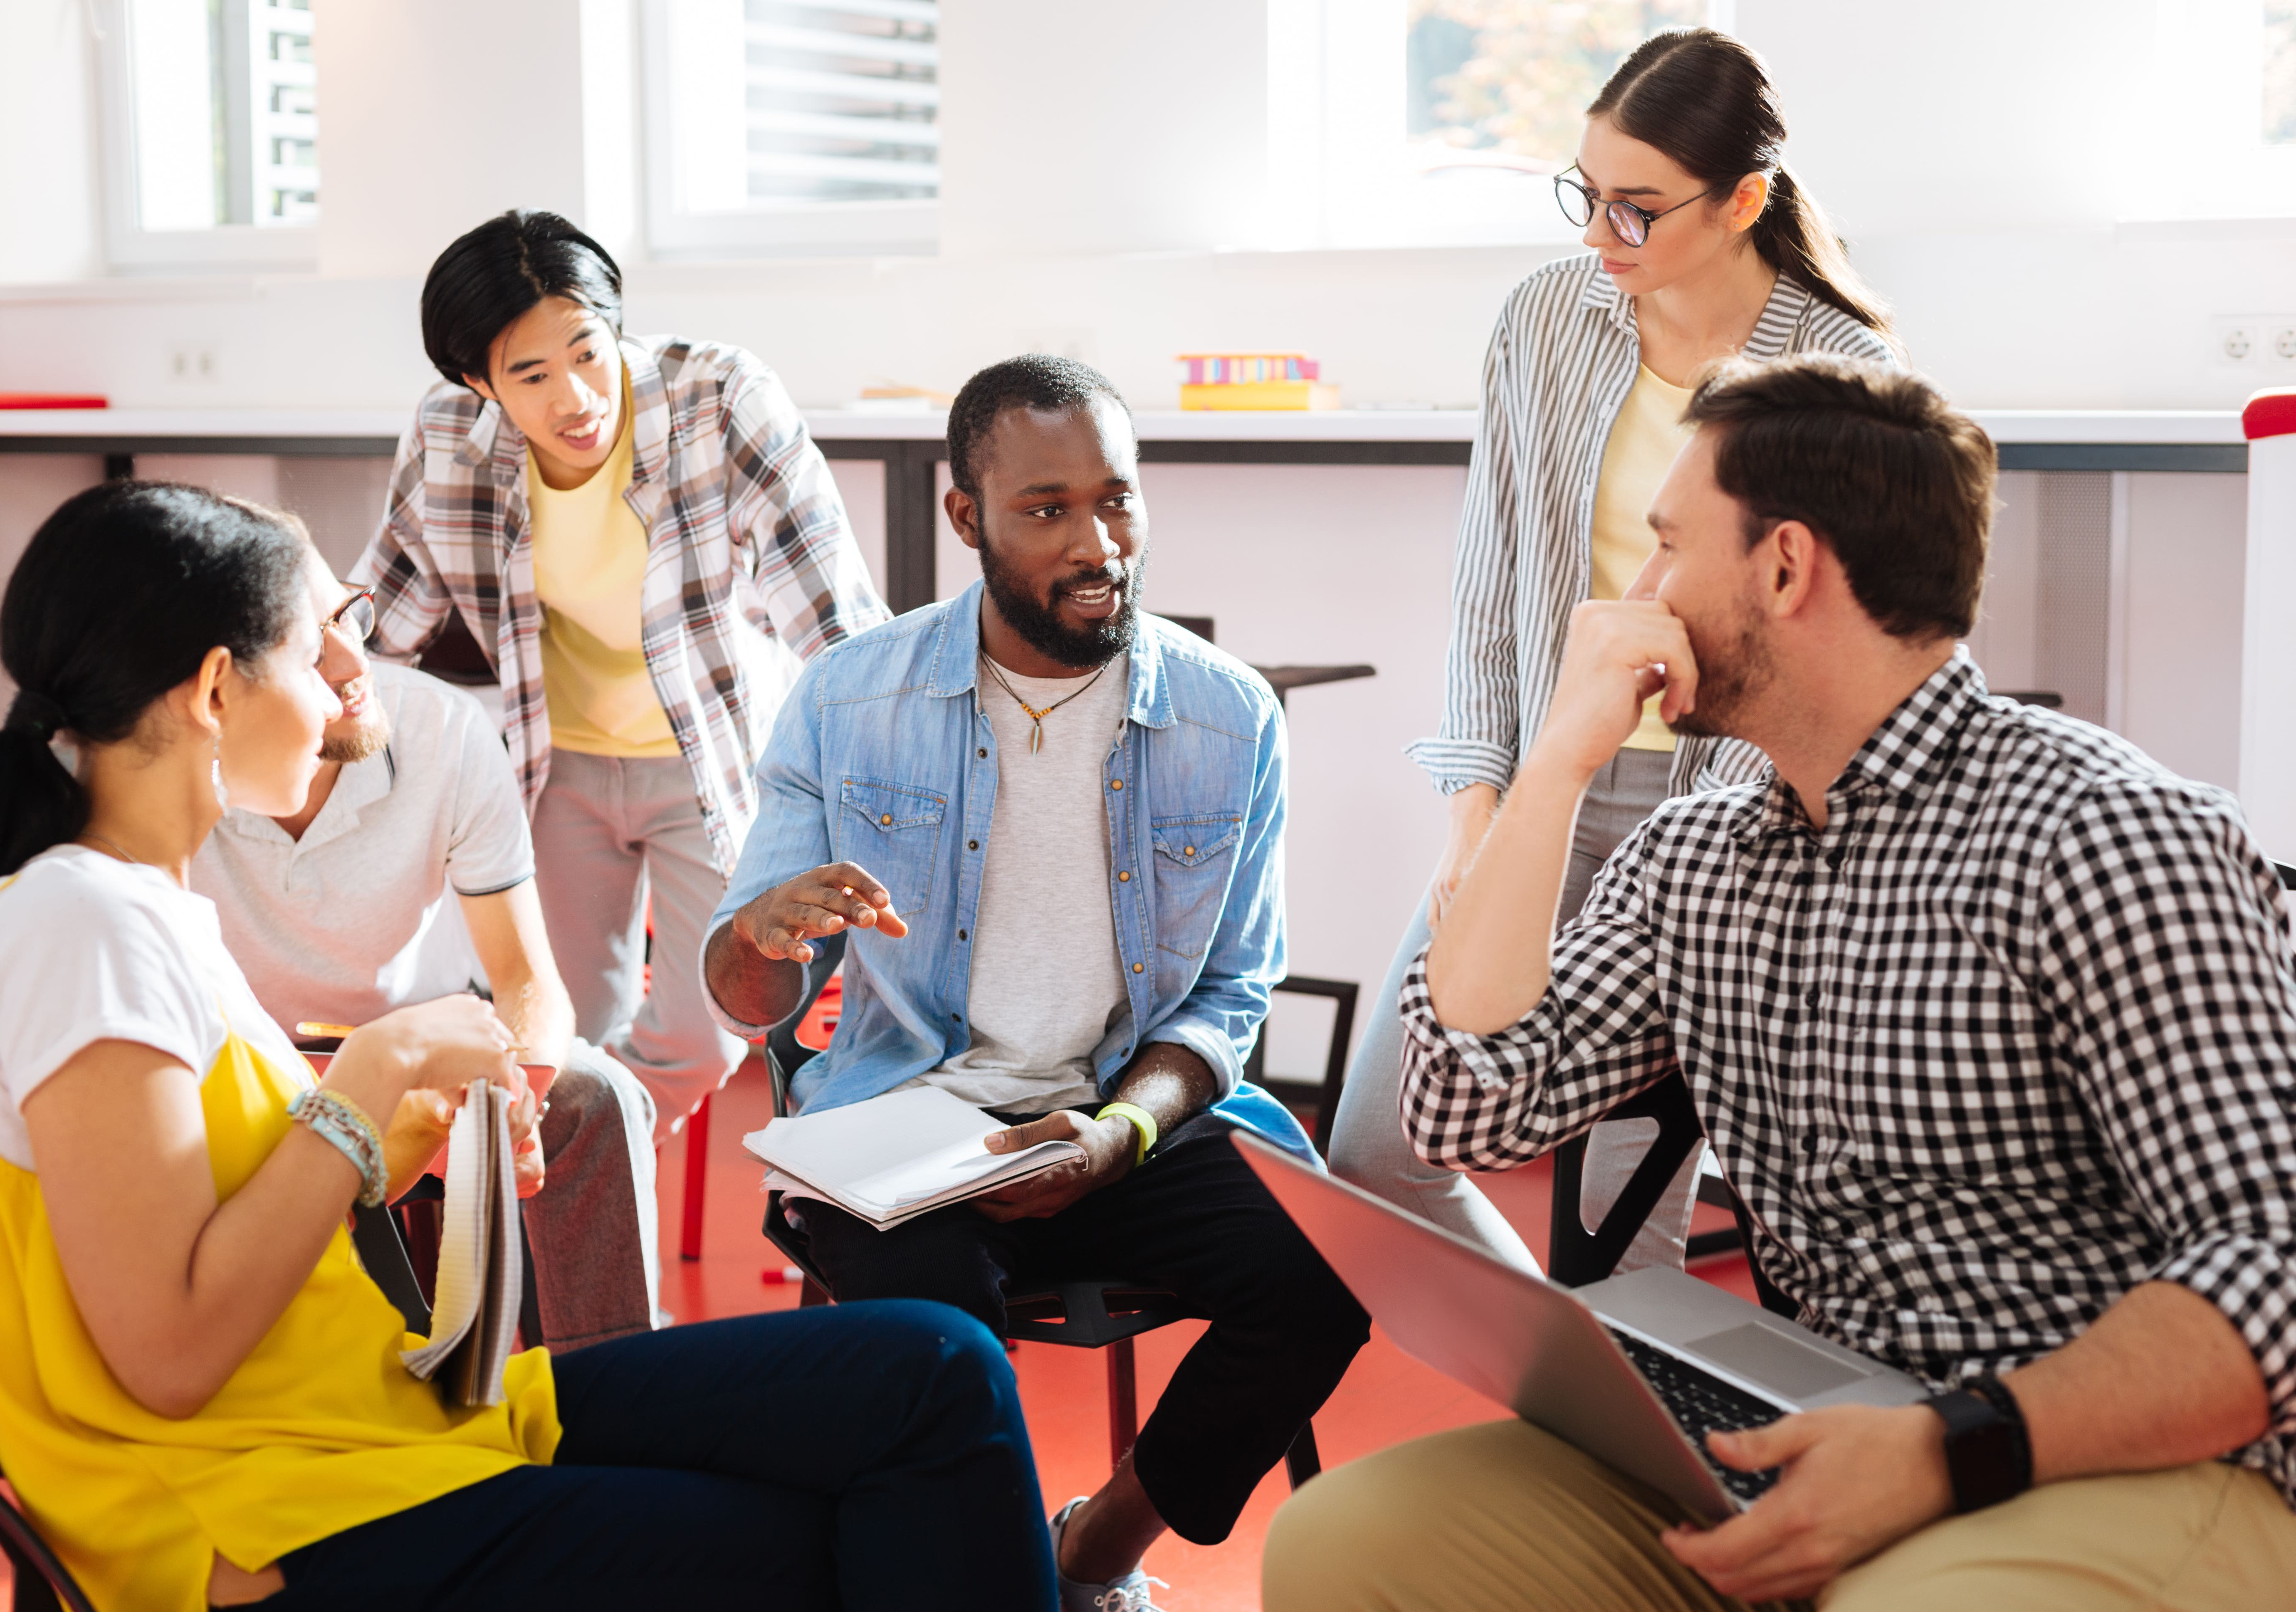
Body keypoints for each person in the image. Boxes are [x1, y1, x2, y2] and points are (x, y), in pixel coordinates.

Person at [0, 480, 1054, 1611]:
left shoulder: (128, 911)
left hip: (368, 1433)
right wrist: (370, 1073)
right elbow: (172, 1353)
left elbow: (209, 1208)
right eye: (318, 648)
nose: (353, 680)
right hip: (268, 1520)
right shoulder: (83, 924)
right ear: (212, 691)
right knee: (850, 1526)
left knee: (938, 1368)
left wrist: (397, 1140)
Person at [1262, 354, 2296, 1610]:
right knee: (1349, 1544)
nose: (1630, 598)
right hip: (1799, 1430)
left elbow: (2273, 1261)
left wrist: (1945, 1448)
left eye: (1663, 548)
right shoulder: (1699, 853)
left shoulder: (2108, 835)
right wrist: (1555, 765)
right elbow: (1462, 1111)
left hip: (2100, 1459)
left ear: (1786, 568)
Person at [702, 357, 1372, 1612]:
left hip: (1125, 1124)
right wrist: (763, 937)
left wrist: (1121, 1131)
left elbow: (1229, 996)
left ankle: (1089, 1557)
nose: (1098, 543)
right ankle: (1001, 1583)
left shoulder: (1229, 720)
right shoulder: (852, 700)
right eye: (1048, 509)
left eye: (1118, 502)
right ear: (968, 518)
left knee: (1327, 1283)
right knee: (942, 1350)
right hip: (908, 1121)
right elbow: (747, 1001)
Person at [1331, 26, 1900, 1273]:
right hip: (1550, 786)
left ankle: (1604, 1426)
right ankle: (1562, 1363)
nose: (1600, 235)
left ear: (1745, 200)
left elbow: (1835, 661)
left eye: (1637, 208)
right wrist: (1477, 808)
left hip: (1719, 823)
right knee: (1376, 1152)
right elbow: (1490, 585)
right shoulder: (1547, 320)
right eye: (1585, 196)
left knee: (1621, 1230)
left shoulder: (1841, 376)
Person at [354, 209, 890, 1142]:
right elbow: (381, 618)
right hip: (557, 770)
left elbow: (834, 620)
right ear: (477, 382)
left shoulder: (718, 397)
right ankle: (583, 1250)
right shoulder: (447, 438)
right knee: (561, 1033)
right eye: (531, 375)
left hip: (714, 771)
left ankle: (573, 1159)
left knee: (710, 1028)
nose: (576, 398)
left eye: (588, 353)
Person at [192, 546, 665, 1354]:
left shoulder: (438, 727)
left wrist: (522, 1091)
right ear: (216, 690)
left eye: (350, 616)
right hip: (252, 1072)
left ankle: (612, 1386)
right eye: (311, 647)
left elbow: (526, 978)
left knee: (597, 1096)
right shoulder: (165, 791)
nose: (355, 663)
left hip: (433, 1052)